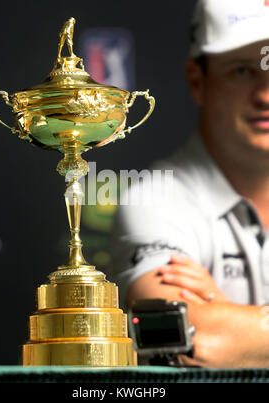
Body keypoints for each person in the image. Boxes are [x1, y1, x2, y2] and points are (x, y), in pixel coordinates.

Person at [108, 0, 269, 368]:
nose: (265, 95)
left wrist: (236, 321)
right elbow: (193, 336)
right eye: (242, 71)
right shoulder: (155, 199)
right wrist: (219, 325)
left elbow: (220, 336)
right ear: (198, 81)